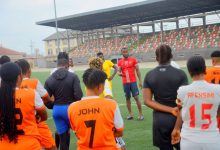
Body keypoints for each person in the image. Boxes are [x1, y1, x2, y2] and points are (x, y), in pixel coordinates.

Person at [143, 44, 188, 150]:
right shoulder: (181, 74)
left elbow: (147, 101)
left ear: (156, 58)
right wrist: (173, 109)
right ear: (171, 56)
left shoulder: (150, 75)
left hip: (160, 120)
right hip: (179, 119)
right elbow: (184, 101)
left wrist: (170, 109)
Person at [171, 56, 220, 150]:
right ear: (205, 69)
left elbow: (180, 112)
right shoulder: (217, 89)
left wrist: (176, 128)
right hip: (212, 139)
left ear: (189, 71)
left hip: (189, 140)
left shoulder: (182, 91)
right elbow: (218, 113)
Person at [68, 68, 124, 150]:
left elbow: (76, 132)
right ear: (100, 86)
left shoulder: (72, 107)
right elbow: (120, 131)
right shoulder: (111, 105)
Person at [0, 62, 47, 149]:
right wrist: (36, 118)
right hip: (29, 144)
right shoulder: (31, 93)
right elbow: (44, 116)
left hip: (4, 146)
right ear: (19, 77)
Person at [16, 59, 56, 150]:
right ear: (29, 70)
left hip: (18, 124)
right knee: (51, 146)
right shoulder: (34, 82)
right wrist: (52, 99)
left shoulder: (9, 88)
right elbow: (46, 97)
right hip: (36, 121)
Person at [45, 58, 83, 150]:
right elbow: (78, 95)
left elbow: (45, 99)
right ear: (67, 65)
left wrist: (53, 105)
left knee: (63, 139)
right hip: (71, 109)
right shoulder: (73, 76)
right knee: (82, 136)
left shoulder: (49, 79)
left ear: (57, 66)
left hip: (57, 110)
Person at [88, 57, 126, 149]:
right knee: (119, 144)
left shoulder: (89, 83)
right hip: (104, 116)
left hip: (93, 114)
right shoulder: (103, 81)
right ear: (101, 66)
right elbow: (108, 97)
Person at [117, 47, 144, 120]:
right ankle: (130, 114)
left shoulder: (133, 60)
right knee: (127, 98)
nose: (125, 53)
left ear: (128, 52)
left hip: (133, 82)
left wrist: (140, 81)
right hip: (125, 83)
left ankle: (141, 114)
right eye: (124, 52)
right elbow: (118, 71)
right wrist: (119, 73)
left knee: (136, 97)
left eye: (126, 51)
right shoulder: (120, 62)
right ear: (122, 53)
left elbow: (137, 70)